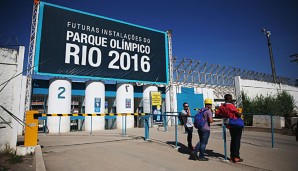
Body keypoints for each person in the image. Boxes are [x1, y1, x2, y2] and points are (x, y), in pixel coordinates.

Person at [215, 94, 243, 163]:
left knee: (233, 140)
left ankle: (232, 156)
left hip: (230, 125)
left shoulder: (222, 106)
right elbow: (238, 115)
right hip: (236, 124)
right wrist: (240, 113)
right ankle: (236, 157)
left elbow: (217, 114)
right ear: (230, 99)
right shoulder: (231, 106)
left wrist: (224, 115)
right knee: (237, 141)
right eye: (231, 98)